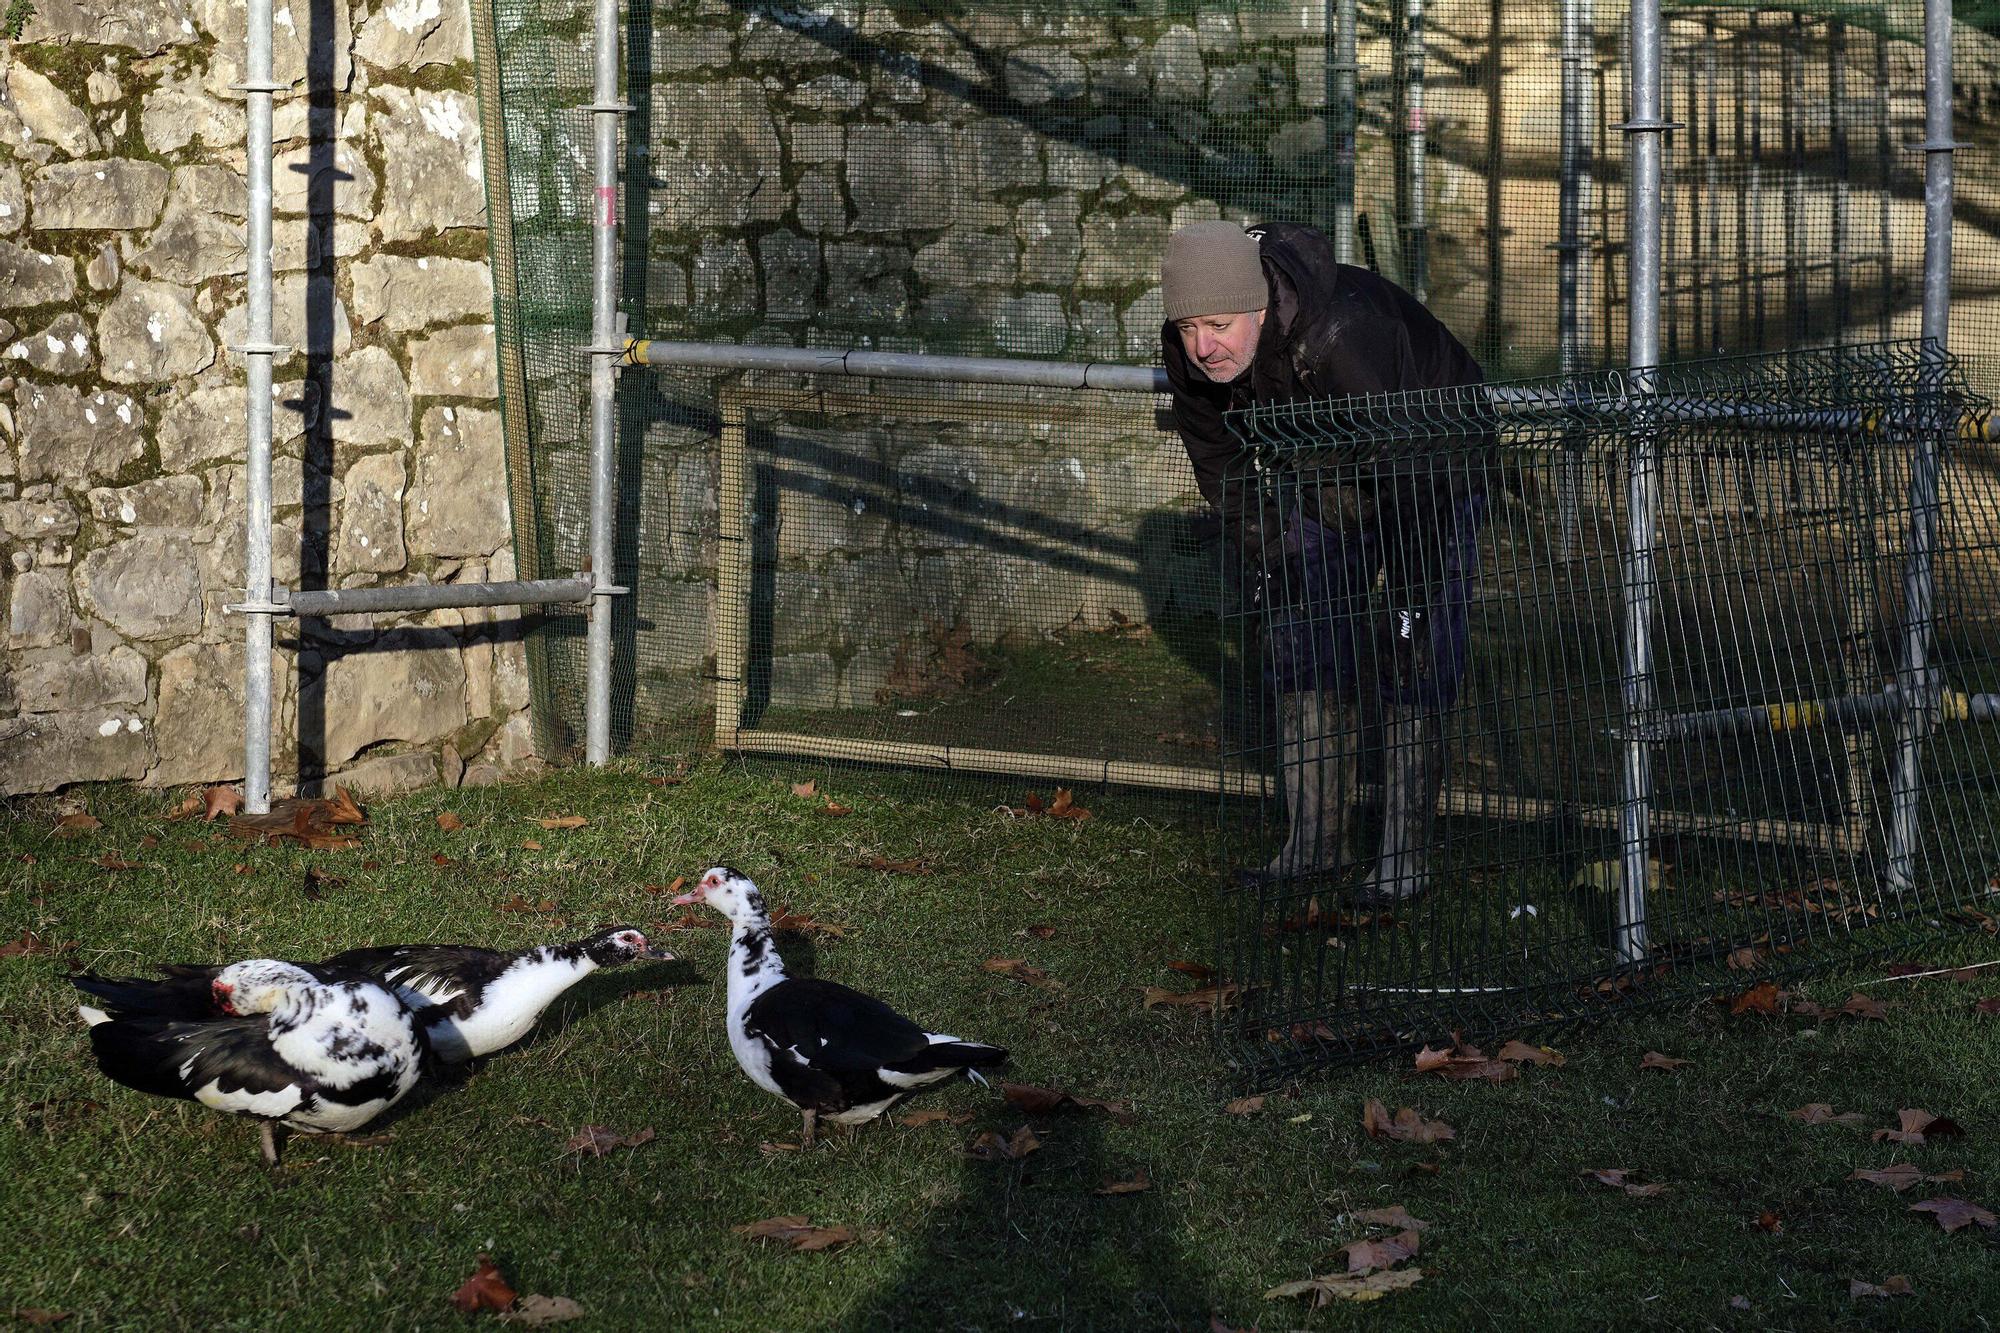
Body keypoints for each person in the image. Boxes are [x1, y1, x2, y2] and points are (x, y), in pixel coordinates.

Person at [1159, 219, 1489, 906]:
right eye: (1189, 328)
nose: (1204, 346)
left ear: (1256, 307)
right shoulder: (1192, 347)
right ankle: (1314, 842)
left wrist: (1412, 595)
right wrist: (1271, 551)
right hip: (1323, 469)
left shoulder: (1339, 336)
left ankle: (1403, 860)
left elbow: (1411, 473)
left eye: (1218, 324)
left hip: (1434, 459)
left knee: (1415, 652)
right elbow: (1217, 457)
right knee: (1301, 643)